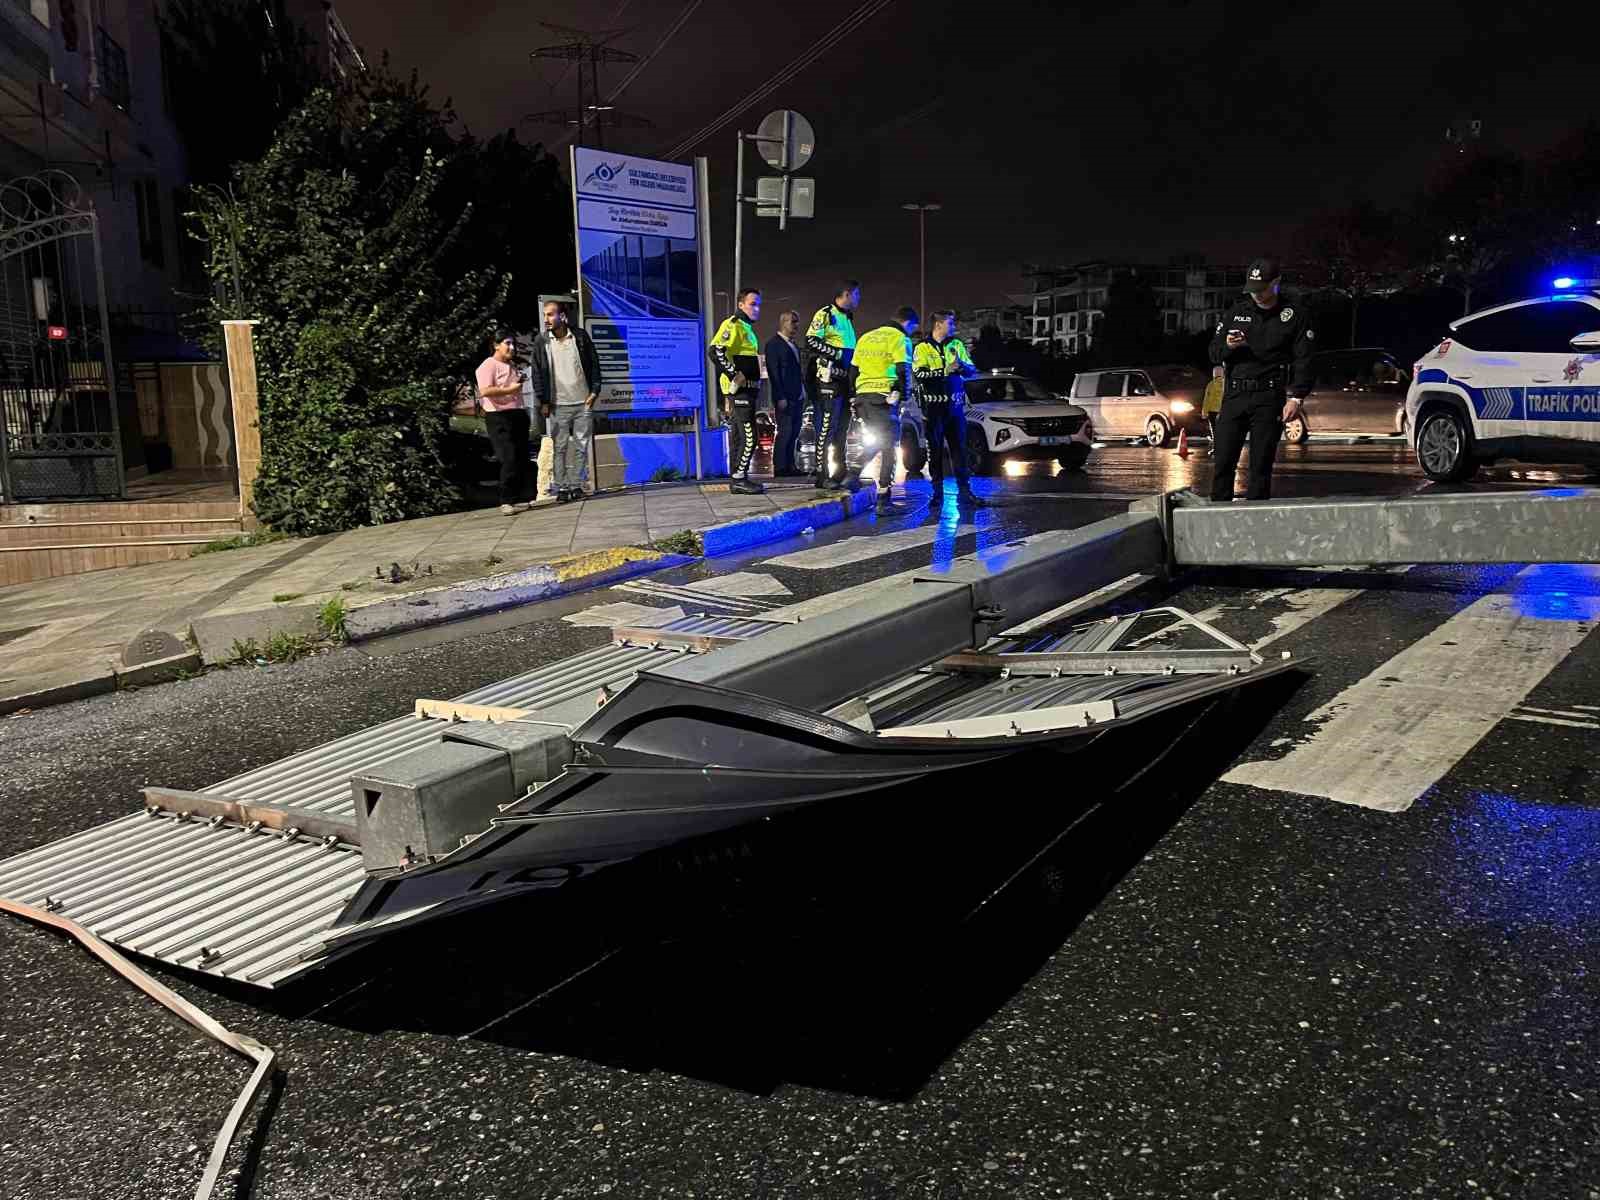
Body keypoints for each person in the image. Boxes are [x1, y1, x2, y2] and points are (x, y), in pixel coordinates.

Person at [1208, 256, 1314, 501]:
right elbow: (1213, 352)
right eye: (1252, 289)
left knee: (1261, 468)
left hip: (1268, 396)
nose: (1256, 295)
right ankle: (1215, 521)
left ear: (1276, 283)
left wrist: (1296, 398)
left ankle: (1255, 524)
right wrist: (1227, 345)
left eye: (1261, 289)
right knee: (1223, 463)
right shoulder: (1237, 311)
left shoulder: (1293, 314)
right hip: (1235, 395)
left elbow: (1305, 359)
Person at [531, 300, 603, 504]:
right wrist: (543, 400)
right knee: (559, 447)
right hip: (557, 404)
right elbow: (537, 372)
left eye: (551, 315)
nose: (546, 319)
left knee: (581, 446)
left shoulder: (579, 337)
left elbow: (594, 363)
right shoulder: (542, 341)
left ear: (562, 316)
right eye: (545, 315)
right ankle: (562, 487)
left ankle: (576, 485)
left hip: (583, 401)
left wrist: (595, 391)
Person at [849, 305, 918, 513]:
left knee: (879, 441)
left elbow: (853, 370)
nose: (913, 332)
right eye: (914, 327)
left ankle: (852, 475)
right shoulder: (900, 338)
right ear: (908, 323)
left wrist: (854, 396)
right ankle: (883, 499)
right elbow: (902, 369)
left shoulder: (866, 337)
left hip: (863, 398)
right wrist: (903, 394)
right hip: (885, 398)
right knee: (890, 448)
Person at [913, 308, 981, 505]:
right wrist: (945, 370)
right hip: (933, 410)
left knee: (960, 450)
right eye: (950, 323)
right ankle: (937, 494)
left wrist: (963, 366)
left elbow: (971, 370)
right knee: (934, 452)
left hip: (955, 408)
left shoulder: (957, 344)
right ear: (938, 324)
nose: (954, 326)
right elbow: (920, 376)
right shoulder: (923, 347)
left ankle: (965, 492)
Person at [709, 288, 765, 494]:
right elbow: (715, 350)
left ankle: (739, 477)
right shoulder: (733, 325)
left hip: (748, 392)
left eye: (759, 304)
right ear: (740, 304)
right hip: (740, 392)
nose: (757, 308)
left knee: (741, 437)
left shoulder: (747, 328)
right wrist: (735, 375)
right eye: (752, 304)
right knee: (750, 438)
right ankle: (739, 479)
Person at [805, 281, 861, 490]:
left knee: (842, 429)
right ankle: (822, 474)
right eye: (857, 294)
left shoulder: (848, 318)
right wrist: (836, 354)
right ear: (847, 294)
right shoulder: (825, 314)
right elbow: (811, 340)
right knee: (827, 428)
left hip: (845, 381)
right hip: (829, 379)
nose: (859, 299)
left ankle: (840, 470)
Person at [474, 332, 532, 515]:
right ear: (496, 345)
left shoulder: (511, 365)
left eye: (513, 343)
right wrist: (510, 388)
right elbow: (485, 391)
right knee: (509, 457)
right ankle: (505, 500)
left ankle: (518, 498)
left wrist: (518, 382)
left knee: (522, 457)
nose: (512, 348)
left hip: (517, 413)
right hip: (499, 417)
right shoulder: (487, 365)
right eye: (508, 343)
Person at [765, 310, 805, 476]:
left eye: (797, 322)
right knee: (785, 432)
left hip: (797, 396)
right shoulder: (774, 345)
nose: (796, 325)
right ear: (784, 322)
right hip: (785, 398)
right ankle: (780, 468)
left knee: (794, 432)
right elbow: (774, 373)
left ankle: (791, 466)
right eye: (793, 321)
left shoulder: (793, 345)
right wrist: (780, 396)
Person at [1197, 365, 1225, 458]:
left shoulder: (1211, 385)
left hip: (1213, 412)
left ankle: (1217, 449)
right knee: (1224, 431)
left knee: (1215, 431)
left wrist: (1204, 412)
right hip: (1225, 411)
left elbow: (1207, 400)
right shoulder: (1227, 384)